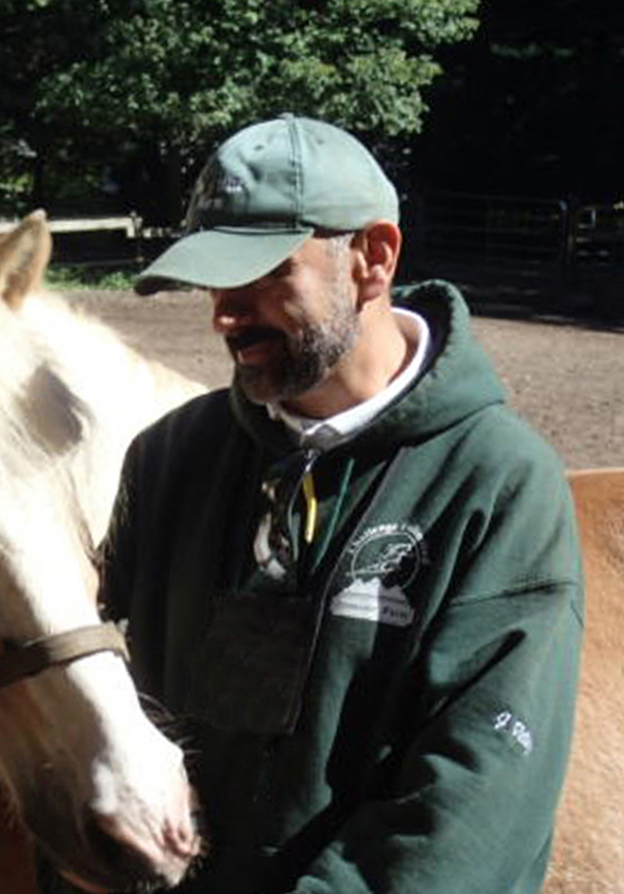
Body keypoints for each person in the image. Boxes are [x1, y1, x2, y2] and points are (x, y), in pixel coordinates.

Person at [100, 115, 585, 893]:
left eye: (264, 275)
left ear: (373, 258)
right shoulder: (167, 460)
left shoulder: (497, 484)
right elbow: (100, 714)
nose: (225, 313)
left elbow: (477, 793)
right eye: (216, 282)